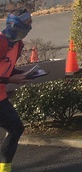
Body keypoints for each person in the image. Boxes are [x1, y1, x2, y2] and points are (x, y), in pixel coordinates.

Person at [0, 9, 31, 172]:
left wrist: (22, 74)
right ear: (14, 25)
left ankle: (4, 169)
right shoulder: (1, 41)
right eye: (27, 24)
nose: (29, 28)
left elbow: (6, 69)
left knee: (16, 128)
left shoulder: (18, 45)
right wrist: (11, 80)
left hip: (1, 97)